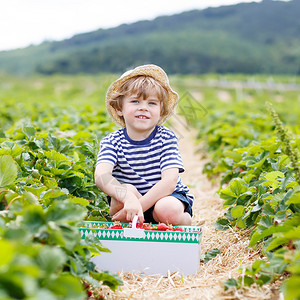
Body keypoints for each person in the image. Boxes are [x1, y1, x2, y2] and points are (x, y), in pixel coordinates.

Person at [94, 64, 194, 225]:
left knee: (167, 209)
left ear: (161, 111)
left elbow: (169, 182)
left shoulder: (166, 138)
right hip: (129, 204)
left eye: (152, 103)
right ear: (120, 108)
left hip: (164, 199)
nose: (143, 108)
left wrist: (139, 205)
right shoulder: (112, 141)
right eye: (135, 101)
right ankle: (135, 224)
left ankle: (183, 222)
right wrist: (128, 198)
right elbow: (101, 176)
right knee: (127, 190)